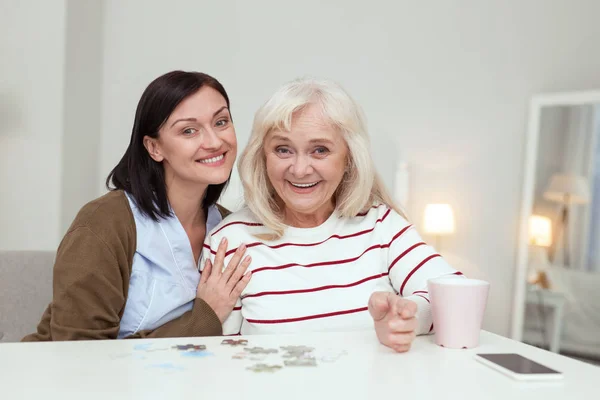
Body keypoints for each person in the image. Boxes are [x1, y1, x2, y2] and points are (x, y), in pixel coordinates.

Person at [201, 78, 463, 352]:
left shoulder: (381, 224)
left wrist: (407, 317)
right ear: (262, 156)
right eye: (283, 149)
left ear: (348, 157)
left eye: (320, 150)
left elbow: (455, 293)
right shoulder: (229, 243)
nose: (300, 169)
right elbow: (218, 360)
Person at [23, 71, 250, 341]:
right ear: (154, 147)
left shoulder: (230, 227)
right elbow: (78, 355)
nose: (214, 142)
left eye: (221, 122)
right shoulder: (105, 224)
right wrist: (205, 316)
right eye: (189, 130)